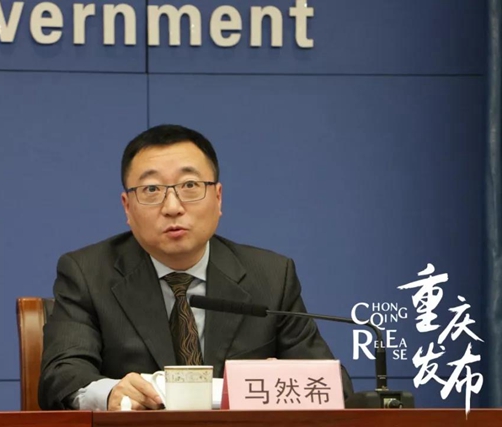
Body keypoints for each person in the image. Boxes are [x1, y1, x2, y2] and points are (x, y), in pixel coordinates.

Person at [39, 124, 354, 411]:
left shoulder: (271, 276)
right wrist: (110, 393)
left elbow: (334, 385)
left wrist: (279, 380)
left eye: (190, 185)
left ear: (218, 198)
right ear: (127, 207)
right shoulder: (87, 273)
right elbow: (62, 376)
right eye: (151, 190)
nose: (172, 207)